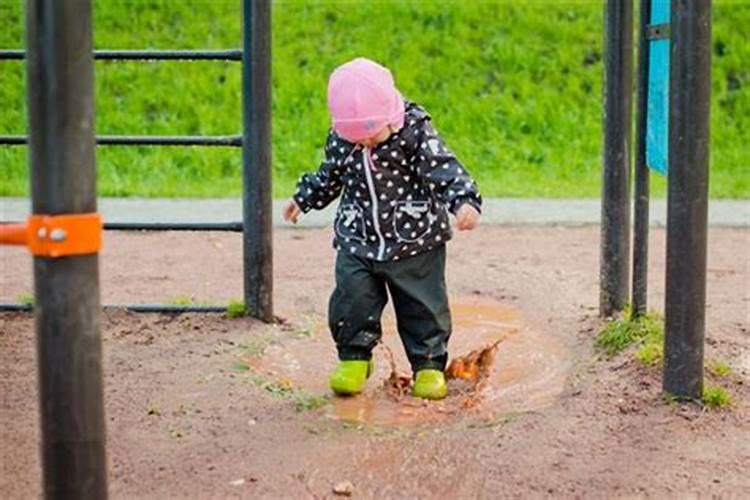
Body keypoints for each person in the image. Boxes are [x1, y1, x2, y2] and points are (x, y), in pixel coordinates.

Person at [282, 57, 481, 400]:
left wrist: (463, 201)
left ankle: (428, 365)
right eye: (355, 138)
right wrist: (304, 198)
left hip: (414, 241)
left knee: (422, 306)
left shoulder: (415, 132)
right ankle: (355, 358)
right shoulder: (345, 139)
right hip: (358, 239)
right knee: (351, 300)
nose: (365, 144)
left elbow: (443, 167)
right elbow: (330, 175)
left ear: (391, 114)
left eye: (371, 135)